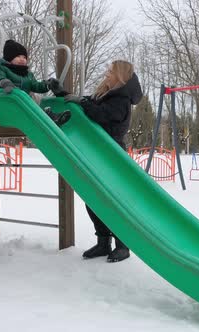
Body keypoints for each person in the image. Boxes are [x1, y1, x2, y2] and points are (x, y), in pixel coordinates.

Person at [52, 60, 143, 263]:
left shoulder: (122, 100)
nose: (106, 74)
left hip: (111, 157)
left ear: (120, 76)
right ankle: (103, 242)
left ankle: (123, 244)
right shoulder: (106, 94)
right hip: (97, 154)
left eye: (111, 71)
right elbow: (86, 103)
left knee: (112, 201)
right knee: (92, 198)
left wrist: (83, 103)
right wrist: (62, 93)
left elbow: (101, 115)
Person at [0, 39, 71, 126]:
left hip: (24, 104)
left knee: (37, 102)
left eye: (24, 57)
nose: (22, 59)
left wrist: (47, 85)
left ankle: (52, 117)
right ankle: (49, 117)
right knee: (33, 103)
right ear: (9, 57)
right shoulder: (2, 69)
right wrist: (5, 82)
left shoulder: (28, 74)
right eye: (18, 56)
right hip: (9, 104)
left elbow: (35, 86)